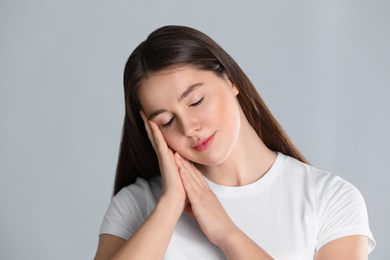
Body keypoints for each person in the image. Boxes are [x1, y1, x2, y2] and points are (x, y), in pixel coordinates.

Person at [94, 25, 375, 260]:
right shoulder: (137, 204)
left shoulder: (330, 199)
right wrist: (170, 205)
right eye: (167, 121)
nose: (190, 127)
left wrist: (226, 233)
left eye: (196, 101)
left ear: (230, 80)